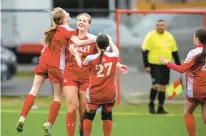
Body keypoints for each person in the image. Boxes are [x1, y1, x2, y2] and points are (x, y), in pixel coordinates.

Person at [16, 7, 96, 136]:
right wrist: (95, 39)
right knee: (60, 99)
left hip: (44, 62)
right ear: (64, 19)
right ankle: (49, 123)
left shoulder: (53, 29)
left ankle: (22, 118)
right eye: (66, 14)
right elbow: (78, 41)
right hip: (58, 66)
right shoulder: (69, 31)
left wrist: (56, 13)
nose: (69, 14)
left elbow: (56, 23)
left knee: (34, 90)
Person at [62, 13, 128, 136]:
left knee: (83, 113)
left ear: (89, 24)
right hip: (70, 75)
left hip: (86, 79)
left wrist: (118, 65)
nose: (81, 22)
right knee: (72, 109)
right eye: (79, 20)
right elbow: (109, 56)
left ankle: (82, 134)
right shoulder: (71, 37)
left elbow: (102, 57)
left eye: (84, 21)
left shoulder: (93, 39)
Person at [69, 34, 123, 136]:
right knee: (107, 115)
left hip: (95, 93)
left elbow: (81, 66)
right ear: (107, 46)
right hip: (110, 93)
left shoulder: (91, 58)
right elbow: (116, 51)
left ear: (96, 45)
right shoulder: (114, 56)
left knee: (88, 115)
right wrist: (111, 40)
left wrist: (75, 54)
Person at [160, 29, 206, 136]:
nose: (192, 38)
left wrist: (167, 62)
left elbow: (182, 69)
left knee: (188, 113)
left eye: (194, 36)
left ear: (198, 39)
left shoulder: (193, 53)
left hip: (195, 89)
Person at [141, 19, 181, 114]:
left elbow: (174, 51)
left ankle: (160, 108)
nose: (160, 27)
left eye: (162, 25)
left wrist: (179, 65)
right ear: (155, 26)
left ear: (165, 26)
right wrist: (146, 65)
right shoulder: (150, 36)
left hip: (166, 65)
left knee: (163, 86)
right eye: (158, 25)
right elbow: (144, 51)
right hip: (154, 65)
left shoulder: (169, 36)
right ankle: (151, 105)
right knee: (156, 84)